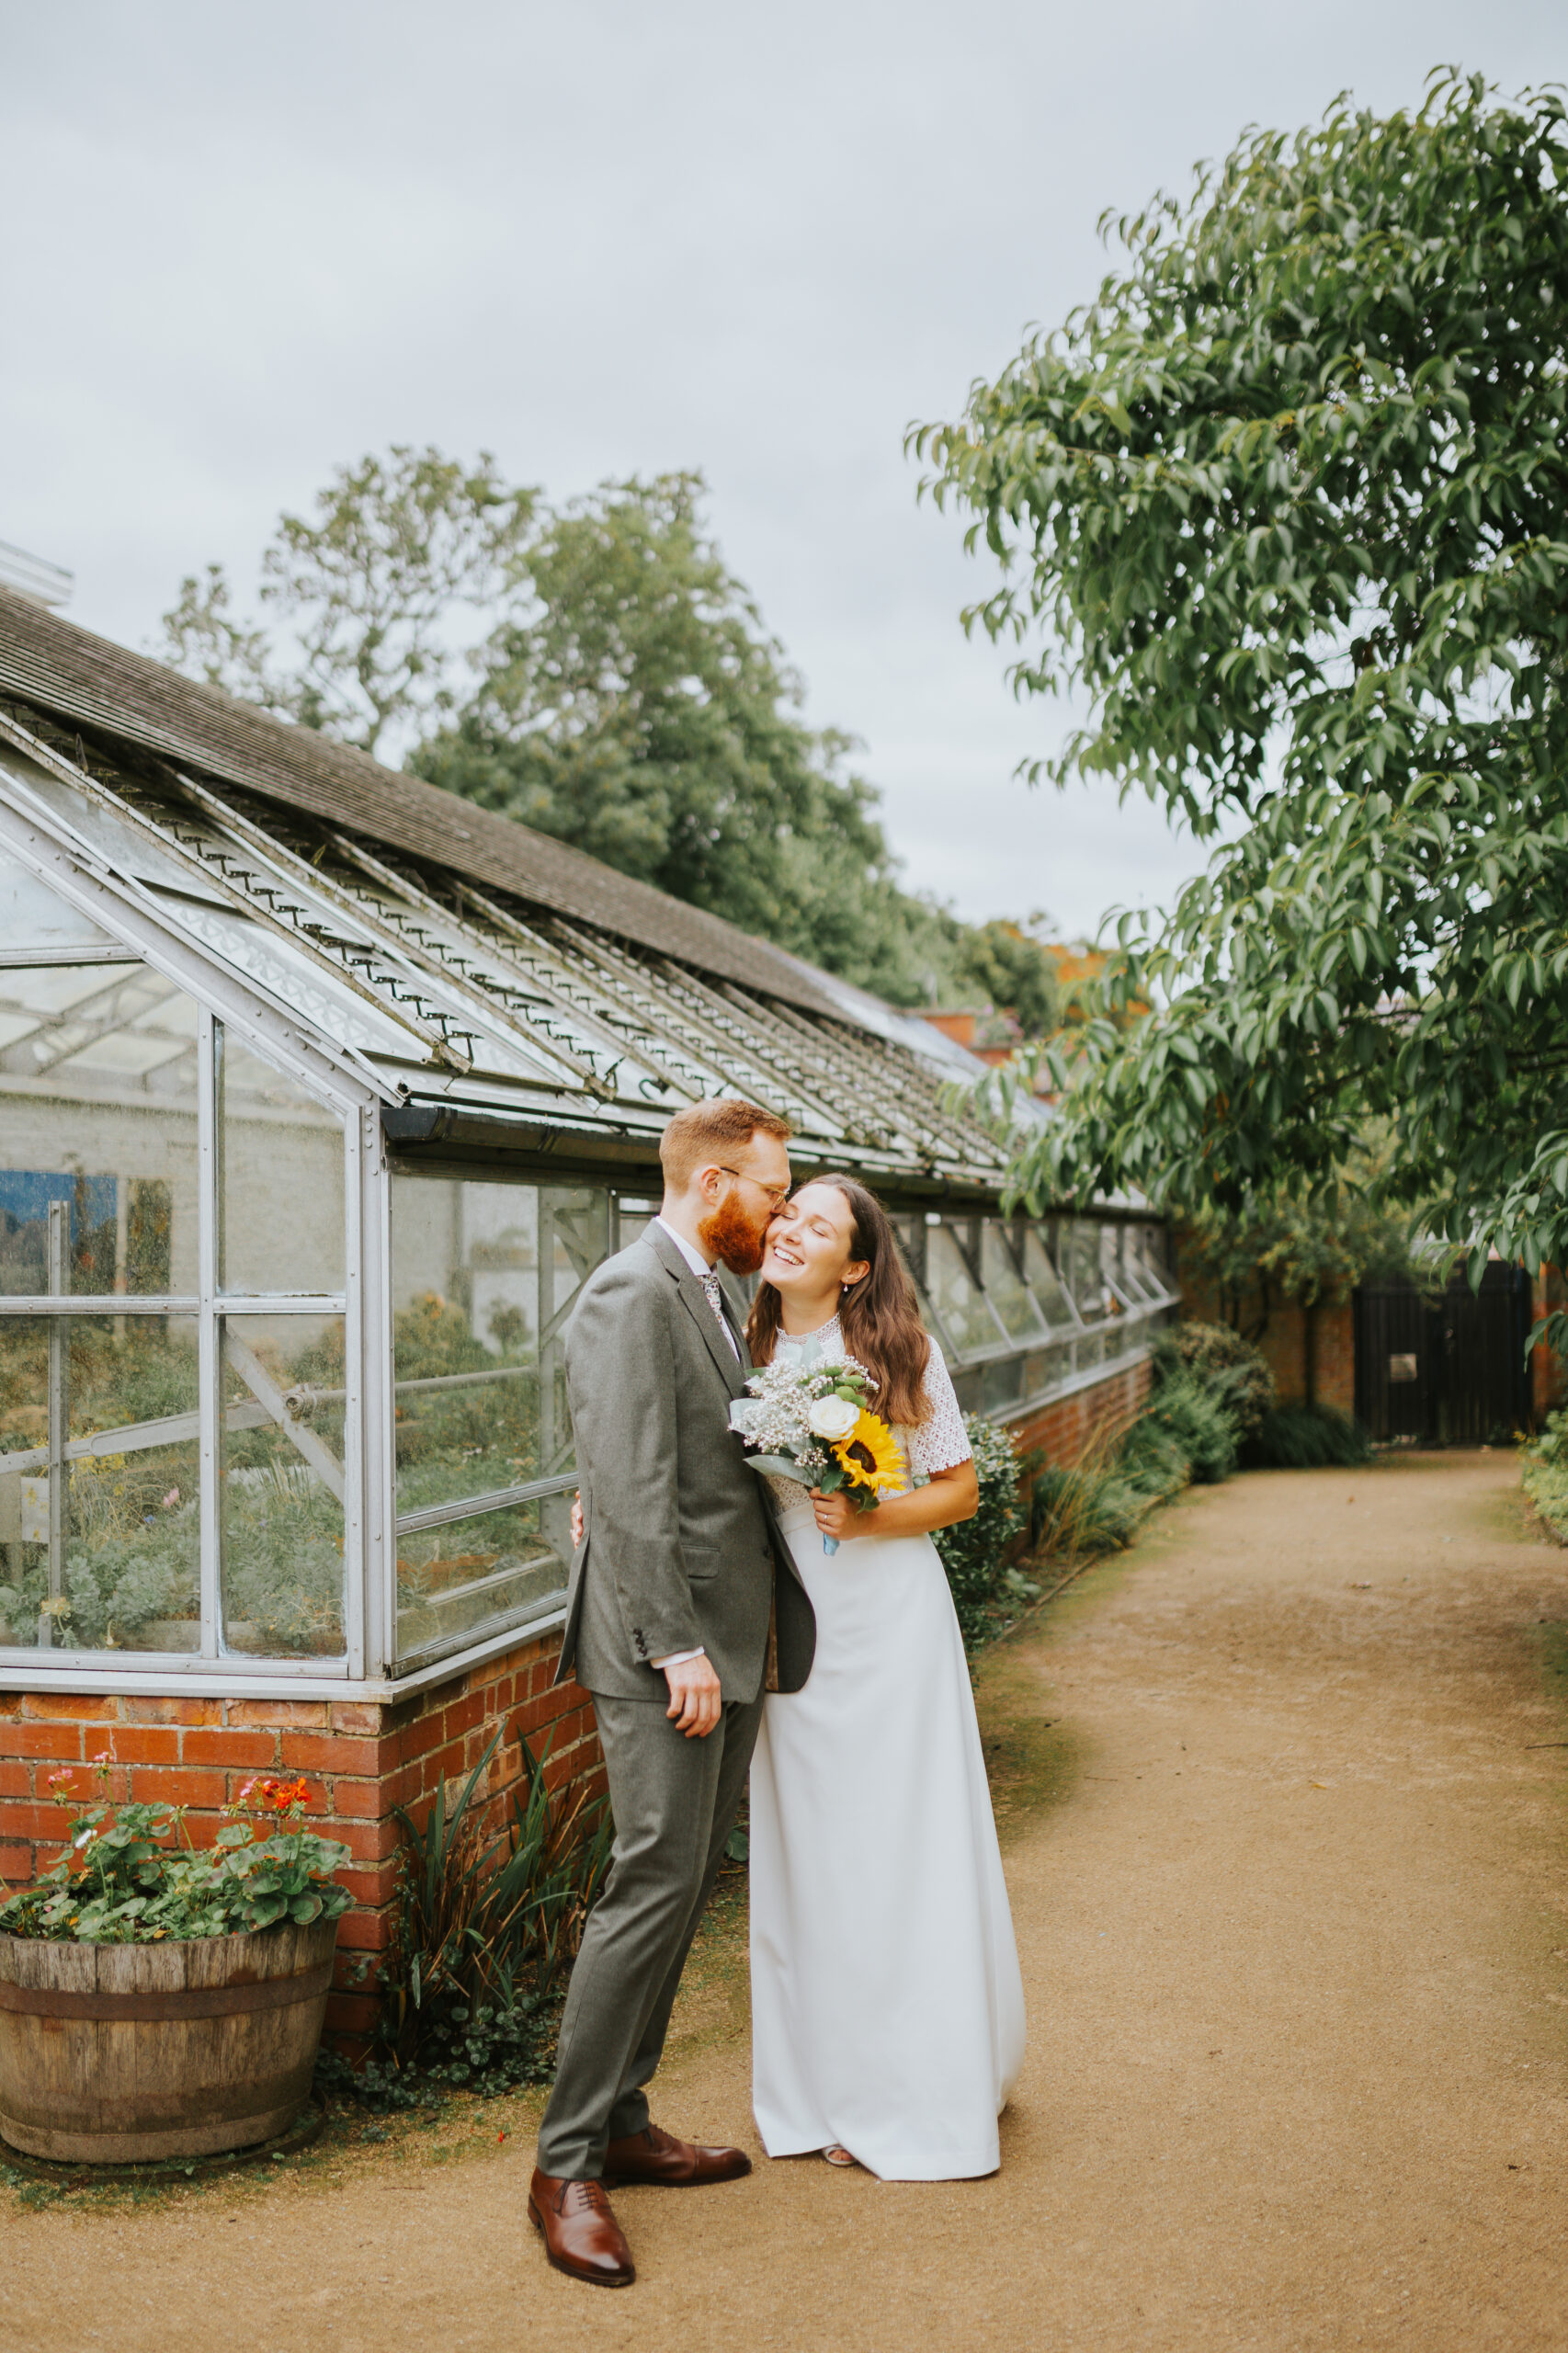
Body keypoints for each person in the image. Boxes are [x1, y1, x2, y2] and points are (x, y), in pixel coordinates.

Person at [529, 1097, 815, 2290]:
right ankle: (563, 2168)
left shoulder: (705, 1290)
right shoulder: (628, 1293)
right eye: (769, 1190)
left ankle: (623, 2123)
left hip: (731, 1641)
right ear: (711, 1187)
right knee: (650, 1881)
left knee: (687, 1878)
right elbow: (629, 1486)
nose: (781, 1211)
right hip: (671, 1655)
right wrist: (675, 1649)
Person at [745, 1173, 1026, 2178]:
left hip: (890, 1619)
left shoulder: (894, 1352)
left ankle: (913, 2085)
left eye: (816, 1225)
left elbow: (957, 1490)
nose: (788, 1229)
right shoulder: (745, 1347)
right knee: (816, 1852)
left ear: (854, 1264)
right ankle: (822, 2085)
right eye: (787, 1213)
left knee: (898, 1843)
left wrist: (866, 1513)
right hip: (795, 1631)